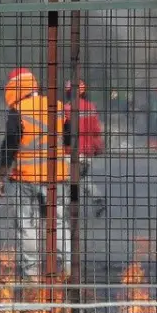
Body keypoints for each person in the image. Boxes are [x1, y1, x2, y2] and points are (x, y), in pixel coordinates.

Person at [0, 68, 74, 281]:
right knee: (58, 223)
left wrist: (0, 177)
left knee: (27, 225)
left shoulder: (18, 111)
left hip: (26, 178)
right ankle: (68, 271)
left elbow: (9, 146)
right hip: (57, 178)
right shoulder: (58, 107)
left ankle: (32, 276)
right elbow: (68, 139)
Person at [64, 80, 107, 216]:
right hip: (87, 152)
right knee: (81, 177)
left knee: (68, 179)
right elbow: (96, 130)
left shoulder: (67, 109)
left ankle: (67, 207)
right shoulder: (91, 107)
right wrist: (98, 148)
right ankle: (97, 199)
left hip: (71, 152)